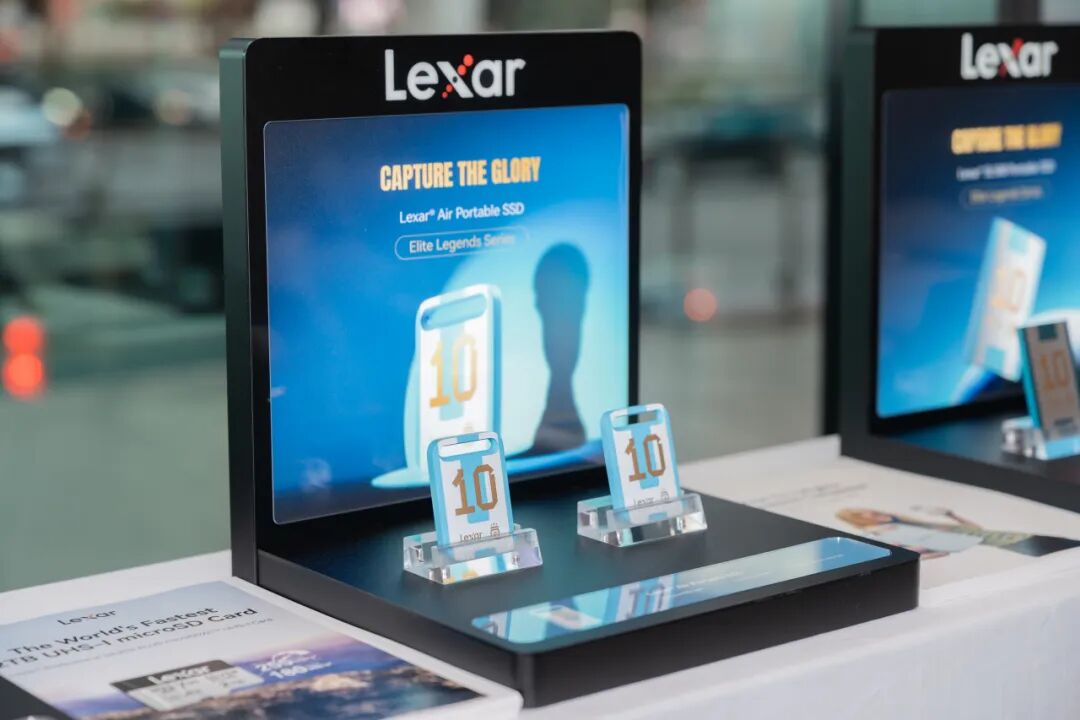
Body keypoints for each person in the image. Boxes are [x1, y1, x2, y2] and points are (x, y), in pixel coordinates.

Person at [837, 506, 1080, 559]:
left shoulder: (914, 524)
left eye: (871, 511)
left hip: (1014, 537)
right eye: (864, 514)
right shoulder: (885, 534)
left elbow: (976, 531)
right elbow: (928, 553)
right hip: (1015, 544)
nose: (873, 513)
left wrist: (951, 515)